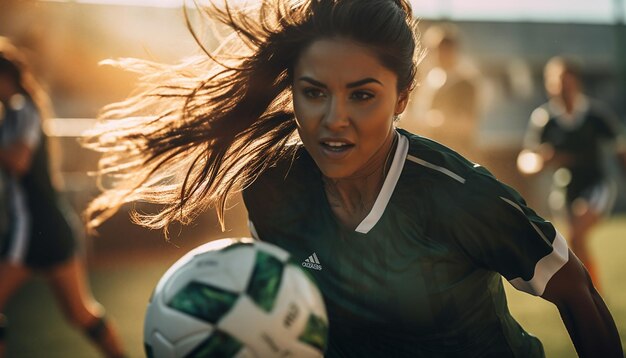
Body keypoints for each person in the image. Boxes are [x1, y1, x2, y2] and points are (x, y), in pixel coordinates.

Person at [84, 1, 622, 356]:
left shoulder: (460, 196)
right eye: (313, 92)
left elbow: (576, 290)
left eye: (362, 95)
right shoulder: (272, 186)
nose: (332, 118)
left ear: (402, 98)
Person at [0, 37, 126, 358]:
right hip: (46, 226)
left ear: (5, 78)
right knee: (80, 313)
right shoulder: (12, 114)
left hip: (36, 228)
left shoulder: (23, 109)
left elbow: (19, 160)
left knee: (80, 313)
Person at [518, 56, 626, 289]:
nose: (561, 90)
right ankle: (593, 291)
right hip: (565, 188)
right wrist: (538, 161)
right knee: (575, 244)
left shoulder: (594, 116)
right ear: (549, 86)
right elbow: (526, 159)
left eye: (566, 83)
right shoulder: (545, 119)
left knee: (577, 232)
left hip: (597, 186)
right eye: (556, 84)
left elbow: (620, 149)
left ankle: (589, 293)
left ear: (576, 83)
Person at [404, 24, 482, 162]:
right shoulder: (429, 81)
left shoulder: (464, 84)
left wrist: (432, 121)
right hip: (430, 151)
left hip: (455, 154)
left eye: (442, 50)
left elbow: (466, 124)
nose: (437, 55)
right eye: (434, 51)